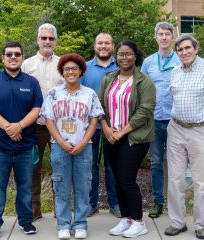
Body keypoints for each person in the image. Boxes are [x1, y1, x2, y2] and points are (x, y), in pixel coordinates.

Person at [165, 34, 204, 240]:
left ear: (196, 48)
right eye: (180, 49)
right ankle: (178, 222)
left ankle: (201, 224)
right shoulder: (175, 72)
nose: (184, 52)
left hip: (203, 130)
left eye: (187, 48)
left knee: (200, 181)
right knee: (175, 179)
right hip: (176, 129)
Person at [0, 42, 43, 238]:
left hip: (25, 147)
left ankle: (25, 222)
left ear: (23, 57)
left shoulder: (31, 82)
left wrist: (20, 126)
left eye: (17, 54)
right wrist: (9, 127)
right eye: (9, 54)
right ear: (3, 58)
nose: (13, 57)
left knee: (25, 187)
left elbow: (37, 109)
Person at [41, 53, 104, 239]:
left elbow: (94, 121)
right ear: (61, 72)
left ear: (81, 71)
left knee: (83, 187)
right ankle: (62, 224)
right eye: (67, 69)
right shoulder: (54, 94)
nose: (70, 72)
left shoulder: (89, 94)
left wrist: (83, 143)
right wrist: (61, 142)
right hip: (60, 148)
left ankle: (80, 224)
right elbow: (49, 120)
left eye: (74, 69)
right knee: (60, 186)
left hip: (83, 148)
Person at [99, 40, 156, 238]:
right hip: (110, 136)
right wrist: (106, 128)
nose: (124, 57)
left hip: (133, 137)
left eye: (128, 54)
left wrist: (121, 132)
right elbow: (99, 106)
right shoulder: (109, 79)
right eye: (121, 54)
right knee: (116, 178)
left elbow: (145, 111)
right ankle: (126, 219)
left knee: (127, 179)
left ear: (135, 56)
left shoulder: (144, 81)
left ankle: (139, 222)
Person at [21, 23, 64, 220]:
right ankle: (34, 209)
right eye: (44, 38)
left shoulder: (63, 64)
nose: (47, 41)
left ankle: (60, 209)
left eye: (51, 38)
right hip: (33, 126)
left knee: (60, 167)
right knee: (32, 168)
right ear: (38, 40)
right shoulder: (26, 65)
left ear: (55, 41)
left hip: (59, 126)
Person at [141, 22, 181, 218]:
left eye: (167, 34)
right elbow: (142, 89)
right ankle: (158, 202)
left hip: (176, 119)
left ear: (172, 37)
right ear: (156, 37)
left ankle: (176, 203)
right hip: (155, 119)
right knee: (156, 162)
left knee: (176, 162)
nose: (164, 37)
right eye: (160, 34)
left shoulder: (181, 60)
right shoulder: (148, 62)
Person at [80, 32, 120, 218]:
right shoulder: (85, 68)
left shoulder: (121, 66)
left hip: (115, 127)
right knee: (91, 166)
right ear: (94, 45)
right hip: (91, 127)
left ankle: (115, 203)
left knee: (113, 166)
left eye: (107, 43)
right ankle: (91, 203)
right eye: (100, 43)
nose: (103, 46)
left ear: (112, 45)